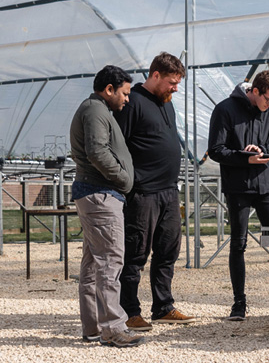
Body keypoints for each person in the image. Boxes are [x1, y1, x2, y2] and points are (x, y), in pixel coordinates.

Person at [113, 52, 196, 331]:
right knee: (136, 254)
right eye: (172, 82)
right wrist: (129, 183)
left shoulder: (166, 103)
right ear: (155, 75)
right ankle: (129, 311)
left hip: (169, 192)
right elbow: (118, 146)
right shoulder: (133, 101)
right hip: (143, 192)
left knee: (167, 251)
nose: (175, 88)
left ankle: (163, 306)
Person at [70, 65, 144, 347]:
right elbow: (97, 150)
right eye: (124, 93)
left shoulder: (97, 109)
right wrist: (124, 178)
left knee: (92, 263)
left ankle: (92, 327)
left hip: (95, 193)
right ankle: (113, 328)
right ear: (109, 89)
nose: (127, 99)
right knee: (110, 262)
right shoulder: (95, 110)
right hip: (100, 194)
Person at [207, 70, 269, 321]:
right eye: (268, 100)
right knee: (238, 243)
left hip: (265, 187)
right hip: (238, 187)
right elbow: (216, 150)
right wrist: (245, 157)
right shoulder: (225, 110)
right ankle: (239, 304)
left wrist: (262, 150)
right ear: (255, 91)